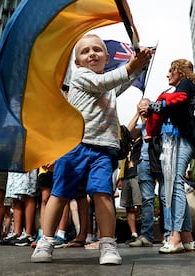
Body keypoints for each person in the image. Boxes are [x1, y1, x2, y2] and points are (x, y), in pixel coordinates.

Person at [31, 34, 151, 265]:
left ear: (107, 57)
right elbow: (107, 82)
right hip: (74, 146)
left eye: (97, 49)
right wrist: (131, 66)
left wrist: (139, 63)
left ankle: (108, 243)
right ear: (77, 62)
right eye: (85, 51)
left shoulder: (108, 84)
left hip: (103, 149)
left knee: (103, 193)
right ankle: (46, 240)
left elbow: (120, 82)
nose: (92, 53)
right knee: (60, 194)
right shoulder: (80, 77)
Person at [146, 59, 195, 254]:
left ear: (179, 71)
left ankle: (175, 235)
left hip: (182, 139)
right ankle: (187, 237)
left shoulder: (186, 85)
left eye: (171, 70)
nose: (167, 74)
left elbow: (177, 100)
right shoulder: (178, 89)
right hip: (173, 141)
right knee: (173, 184)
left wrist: (155, 106)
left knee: (175, 184)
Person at [127, 98, 166, 248]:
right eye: (141, 105)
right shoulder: (142, 126)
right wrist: (137, 114)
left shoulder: (158, 120)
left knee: (164, 198)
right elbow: (128, 132)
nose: (143, 107)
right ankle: (146, 236)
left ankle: (168, 234)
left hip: (160, 161)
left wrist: (152, 113)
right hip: (144, 162)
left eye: (146, 105)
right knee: (147, 200)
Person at [117, 129, 142, 245]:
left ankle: (145, 233)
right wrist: (120, 178)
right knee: (128, 206)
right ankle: (134, 234)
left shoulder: (141, 142)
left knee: (140, 204)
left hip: (137, 175)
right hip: (126, 176)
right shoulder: (126, 144)